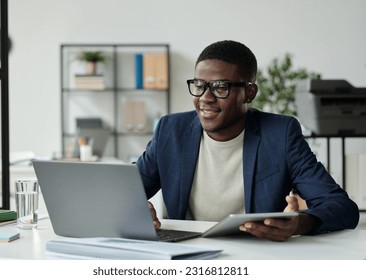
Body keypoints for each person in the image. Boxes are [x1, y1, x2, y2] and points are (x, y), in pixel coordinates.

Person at [135, 40, 359, 241]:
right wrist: (135, 208)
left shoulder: (280, 134)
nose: (205, 98)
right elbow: (122, 193)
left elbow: (342, 207)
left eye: (220, 87)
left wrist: (299, 223)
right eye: (199, 85)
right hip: (185, 252)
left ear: (250, 93)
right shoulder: (170, 131)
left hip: (255, 253)